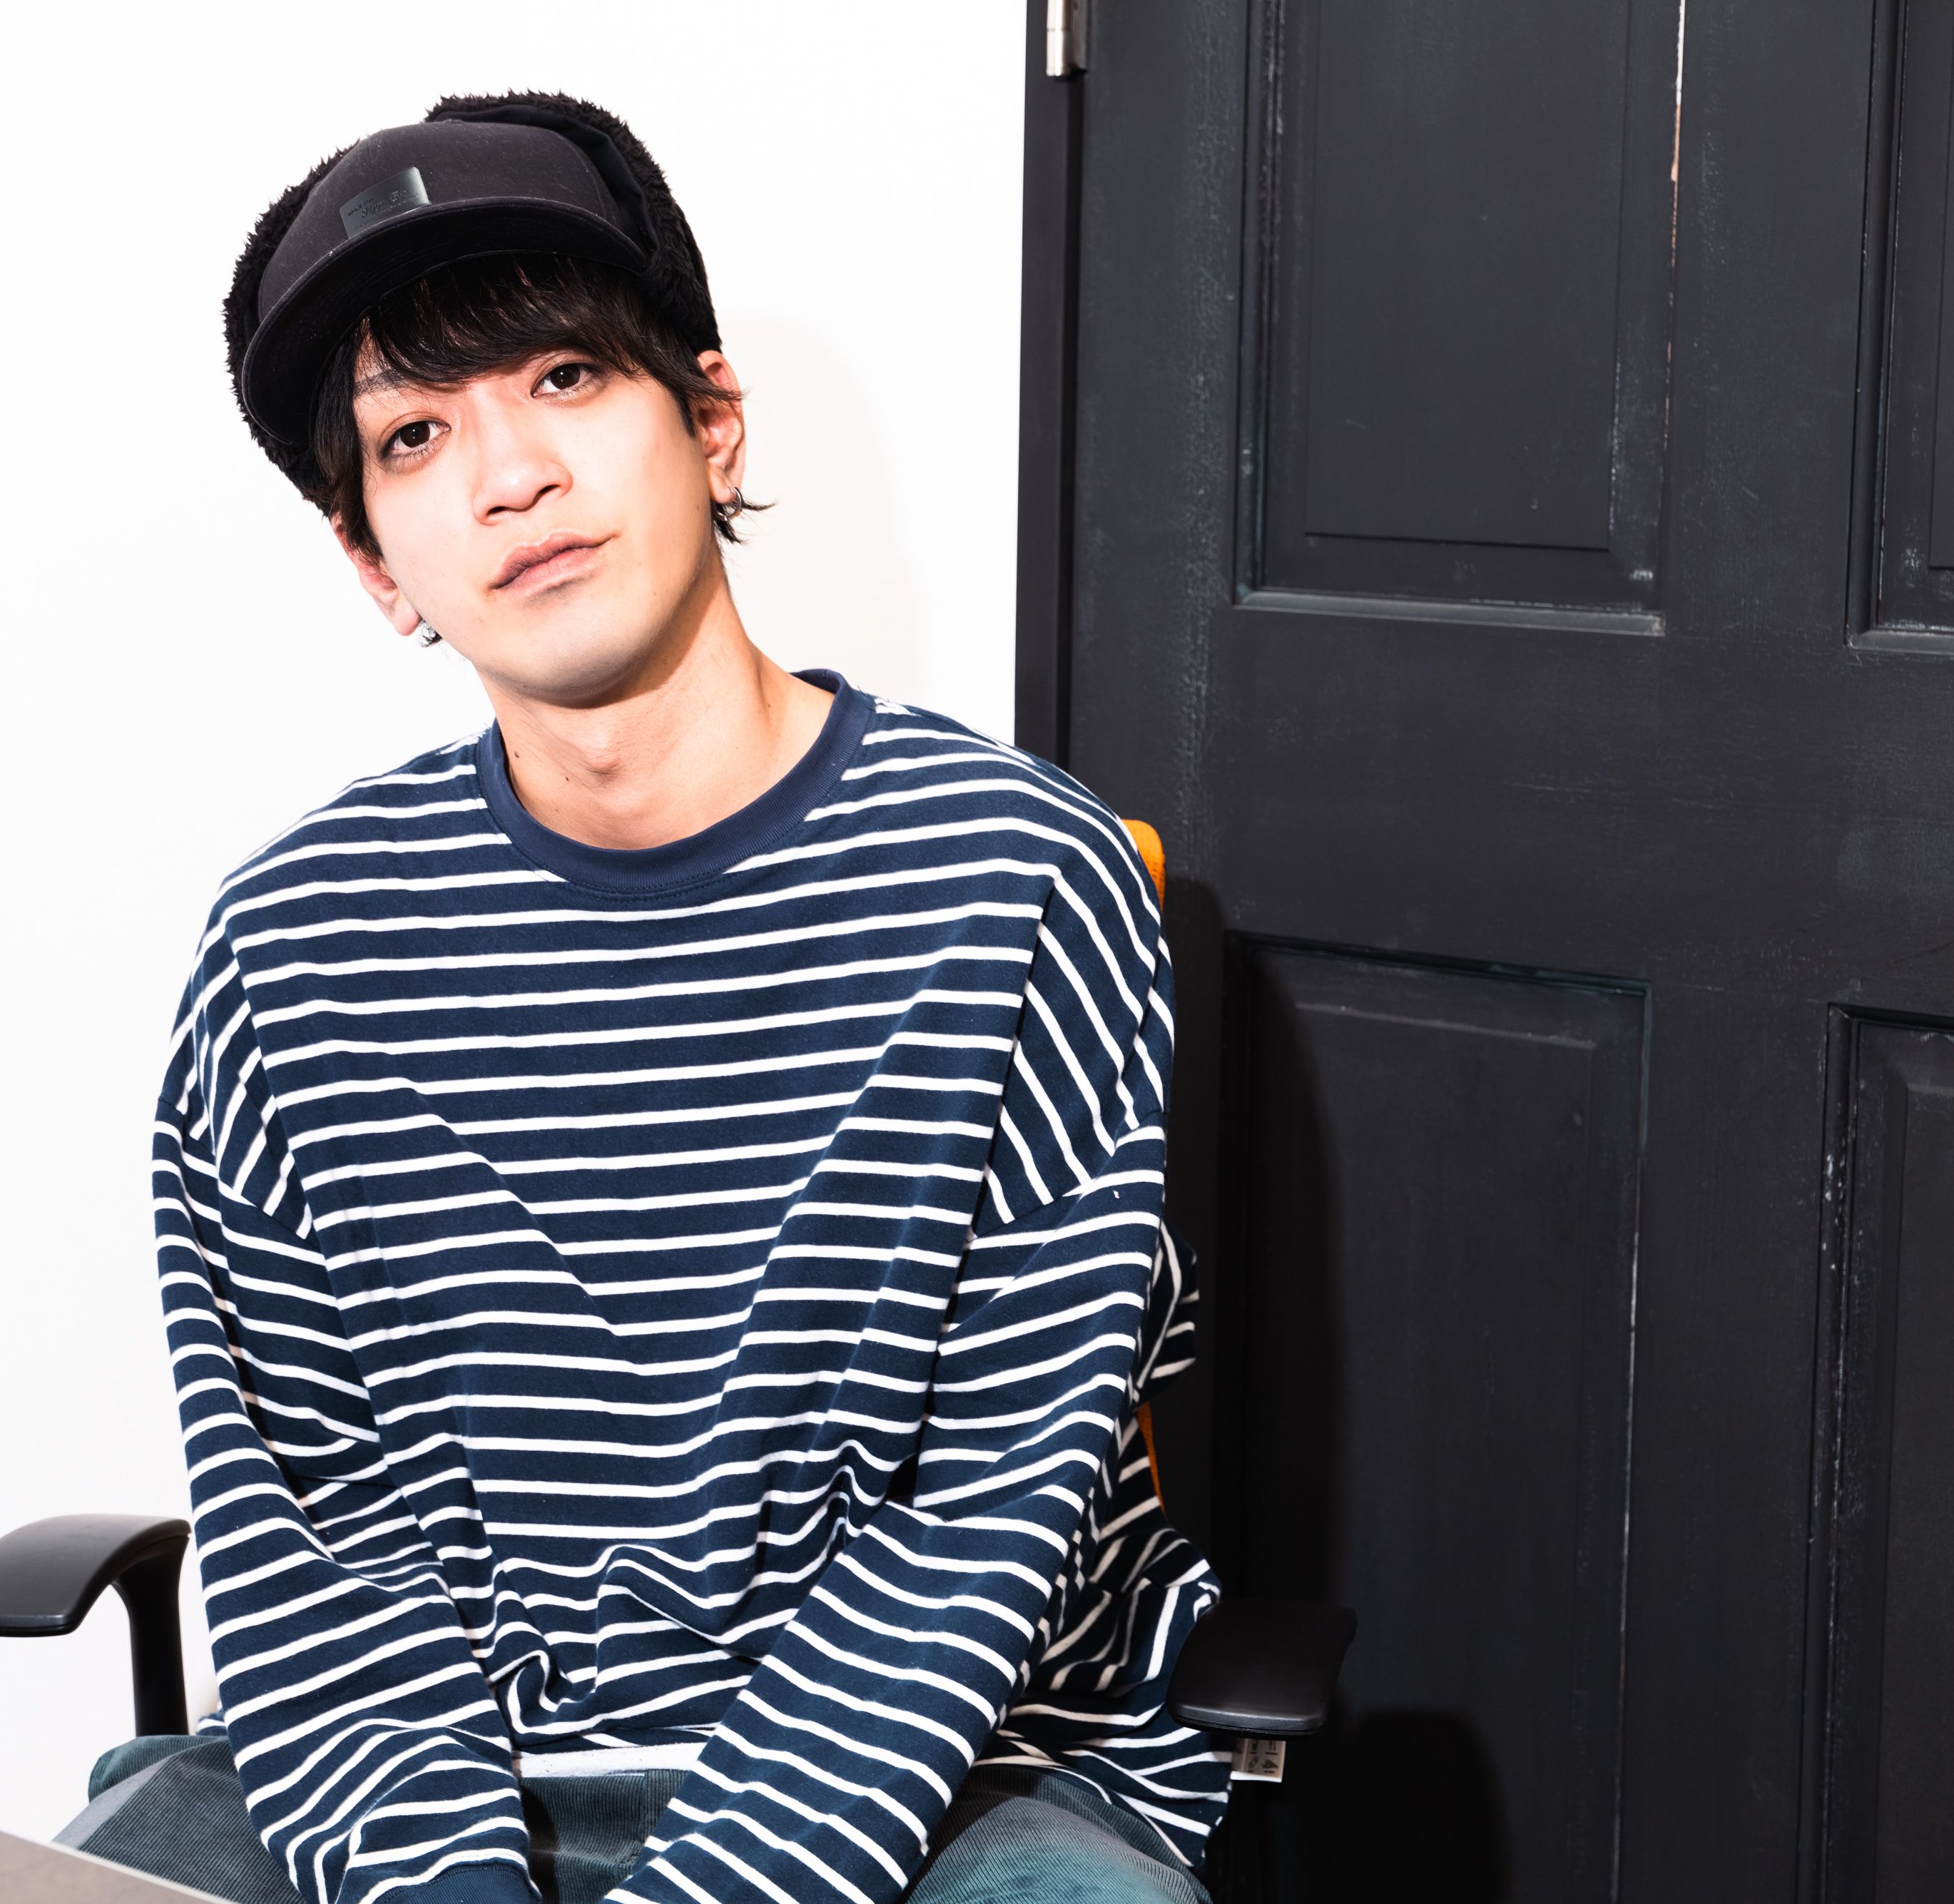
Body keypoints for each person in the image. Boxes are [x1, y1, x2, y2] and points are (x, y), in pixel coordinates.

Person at [63, 93, 1226, 1904]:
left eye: (563, 378)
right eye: (413, 435)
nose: (507, 476)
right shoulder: (294, 950)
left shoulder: (1015, 880)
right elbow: (319, 1542)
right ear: (374, 564)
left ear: (710, 418)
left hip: (945, 1774)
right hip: (436, 1770)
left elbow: (980, 1521)